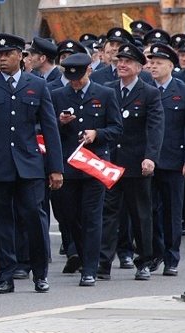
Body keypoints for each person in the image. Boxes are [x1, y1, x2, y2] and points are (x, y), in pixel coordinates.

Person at [0, 33, 64, 293]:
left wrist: (55, 168)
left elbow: (50, 128)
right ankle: (5, 274)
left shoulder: (36, 85)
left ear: (20, 56)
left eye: (7, 55)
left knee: (35, 218)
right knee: (2, 222)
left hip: (30, 165)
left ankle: (40, 272)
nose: (2, 59)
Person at [50, 52, 122, 287]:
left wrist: (97, 134)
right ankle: (82, 256)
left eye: (79, 77)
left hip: (93, 164)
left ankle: (90, 268)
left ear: (89, 71)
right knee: (70, 217)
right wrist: (60, 123)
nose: (75, 82)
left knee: (92, 217)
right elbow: (47, 130)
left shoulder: (105, 94)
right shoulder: (57, 96)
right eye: (71, 78)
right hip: (68, 166)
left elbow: (116, 128)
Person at [99, 43, 164, 281]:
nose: (122, 65)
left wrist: (150, 157)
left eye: (127, 62)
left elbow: (155, 128)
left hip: (137, 163)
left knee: (141, 214)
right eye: (119, 61)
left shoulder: (149, 93)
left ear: (138, 67)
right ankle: (103, 262)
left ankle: (144, 261)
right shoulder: (107, 90)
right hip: (111, 162)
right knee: (108, 213)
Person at [144, 44, 185, 276]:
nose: (153, 66)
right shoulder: (145, 89)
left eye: (158, 63)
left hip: (174, 159)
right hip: (148, 161)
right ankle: (154, 252)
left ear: (171, 65)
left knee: (172, 211)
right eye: (151, 62)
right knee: (150, 211)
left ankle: (172, 256)